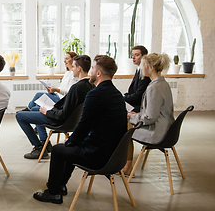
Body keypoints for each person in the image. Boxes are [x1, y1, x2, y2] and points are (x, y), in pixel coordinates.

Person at [33, 55, 127, 204]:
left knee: (58, 150)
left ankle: (52, 192)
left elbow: (83, 126)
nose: (90, 71)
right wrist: (73, 141)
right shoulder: (117, 95)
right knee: (72, 145)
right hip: (114, 154)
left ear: (99, 73)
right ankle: (60, 185)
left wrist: (71, 141)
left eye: (93, 68)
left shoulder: (95, 95)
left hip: (98, 155)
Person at [16, 55, 94, 160]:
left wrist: (47, 112)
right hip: (71, 119)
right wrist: (54, 107)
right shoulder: (91, 86)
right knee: (35, 109)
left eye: (74, 67)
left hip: (61, 121)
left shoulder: (76, 88)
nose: (72, 69)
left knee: (19, 116)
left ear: (79, 68)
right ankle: (45, 142)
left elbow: (63, 115)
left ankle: (38, 147)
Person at [128, 53, 174, 144]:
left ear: (151, 67)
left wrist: (132, 116)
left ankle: (128, 159)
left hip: (157, 133)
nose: (141, 68)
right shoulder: (163, 83)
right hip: (166, 128)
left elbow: (149, 118)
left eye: (143, 65)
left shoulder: (154, 88)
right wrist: (137, 115)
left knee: (126, 128)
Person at [122, 45, 151, 174]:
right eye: (133, 54)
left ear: (144, 56)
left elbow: (138, 96)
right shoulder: (138, 70)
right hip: (135, 105)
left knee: (124, 127)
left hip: (139, 109)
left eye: (137, 55)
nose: (133, 57)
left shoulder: (146, 74)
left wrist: (124, 98)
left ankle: (127, 165)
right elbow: (131, 92)